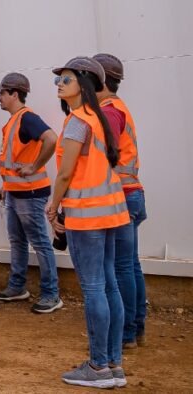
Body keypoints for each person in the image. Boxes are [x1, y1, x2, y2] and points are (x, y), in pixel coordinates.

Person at [46, 57, 130, 388]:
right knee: (109, 285)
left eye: (65, 79)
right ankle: (113, 366)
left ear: (84, 83)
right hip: (110, 212)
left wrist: (53, 207)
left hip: (86, 215)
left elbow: (66, 172)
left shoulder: (79, 121)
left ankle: (97, 369)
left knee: (95, 287)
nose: (58, 85)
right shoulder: (101, 119)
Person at [0, 72, 63, 314]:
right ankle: (17, 287)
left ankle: (51, 294)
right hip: (16, 192)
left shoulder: (27, 118)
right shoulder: (14, 121)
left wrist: (34, 166)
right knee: (18, 241)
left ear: (14, 94)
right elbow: (18, 158)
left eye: (2, 93)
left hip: (31, 194)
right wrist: (7, 186)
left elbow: (52, 139)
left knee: (41, 244)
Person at [93, 53, 147, 350]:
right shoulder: (118, 107)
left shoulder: (109, 112)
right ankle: (135, 327)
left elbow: (102, 155)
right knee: (130, 265)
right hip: (132, 192)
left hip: (122, 195)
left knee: (122, 267)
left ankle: (126, 331)